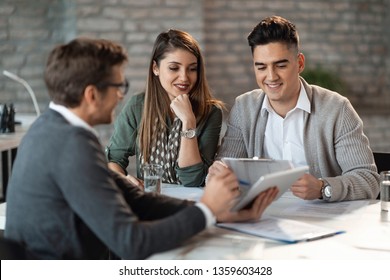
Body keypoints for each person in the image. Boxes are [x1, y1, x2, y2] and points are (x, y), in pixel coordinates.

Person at [4, 37, 278, 259]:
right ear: (91, 94)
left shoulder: (50, 128)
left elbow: (134, 198)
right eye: (117, 85)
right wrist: (205, 210)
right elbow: (132, 243)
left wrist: (222, 213)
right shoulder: (71, 144)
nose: (121, 94)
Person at [216, 15, 380, 202]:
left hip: (323, 222)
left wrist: (322, 188)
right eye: (261, 67)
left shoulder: (337, 109)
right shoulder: (244, 108)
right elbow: (224, 169)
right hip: (262, 218)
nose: (271, 76)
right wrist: (217, 173)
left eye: (280, 65)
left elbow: (368, 180)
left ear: (300, 63)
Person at [106, 29, 224, 188]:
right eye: (174, 68)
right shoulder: (138, 106)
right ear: (155, 68)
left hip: (192, 200)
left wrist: (188, 121)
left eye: (192, 68)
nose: (184, 77)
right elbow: (114, 159)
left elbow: (193, 179)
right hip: (152, 199)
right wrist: (123, 180)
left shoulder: (211, 112)